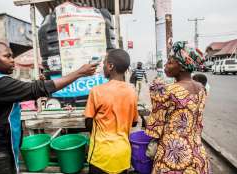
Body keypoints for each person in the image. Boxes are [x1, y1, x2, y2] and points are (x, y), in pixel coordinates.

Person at [0, 42, 97, 174]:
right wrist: (79, 73)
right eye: (7, 56)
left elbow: (23, 89)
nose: (12, 60)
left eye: (12, 56)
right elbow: (37, 89)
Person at [145, 41, 211, 173]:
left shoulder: (166, 90)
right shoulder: (202, 89)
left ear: (181, 66)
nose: (165, 65)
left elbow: (154, 128)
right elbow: (198, 124)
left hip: (172, 157)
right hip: (198, 156)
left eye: (170, 62)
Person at [84, 49, 138, 174]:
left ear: (110, 66)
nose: (103, 67)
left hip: (101, 155)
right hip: (123, 154)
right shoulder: (131, 91)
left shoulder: (96, 91)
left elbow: (88, 124)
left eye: (104, 63)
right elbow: (134, 123)